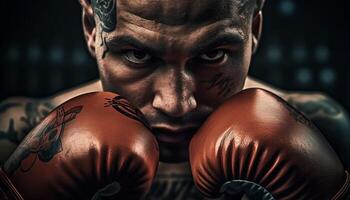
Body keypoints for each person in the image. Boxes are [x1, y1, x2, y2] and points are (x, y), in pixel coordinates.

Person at [0, 0, 349, 199]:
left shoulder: (323, 128)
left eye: (213, 54)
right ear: (92, 29)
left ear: (253, 31)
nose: (177, 104)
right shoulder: (19, 133)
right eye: (137, 55)